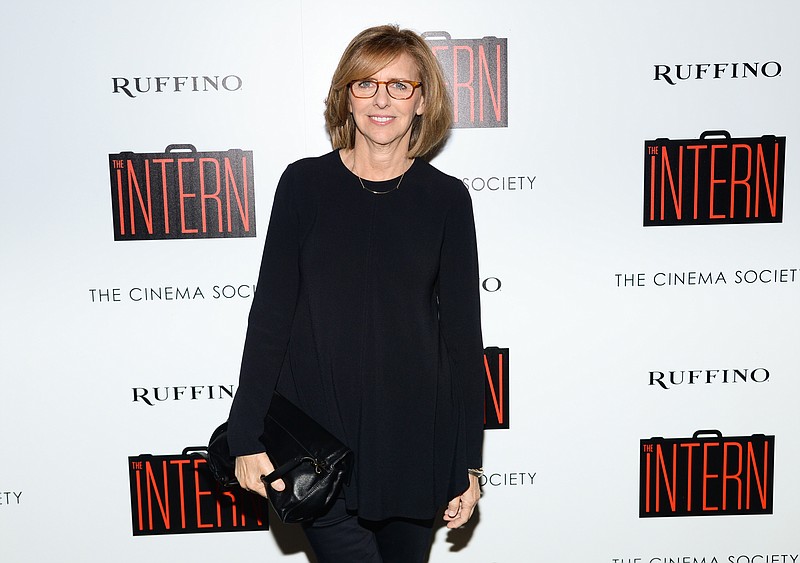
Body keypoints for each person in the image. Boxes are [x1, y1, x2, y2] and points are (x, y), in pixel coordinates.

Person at [227, 24, 485, 563]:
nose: (381, 99)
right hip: (318, 444)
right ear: (347, 97)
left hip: (414, 440)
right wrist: (245, 435)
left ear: (422, 100)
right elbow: (270, 316)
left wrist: (468, 461)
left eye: (399, 85)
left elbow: (463, 338)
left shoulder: (446, 199)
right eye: (365, 84)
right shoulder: (303, 186)